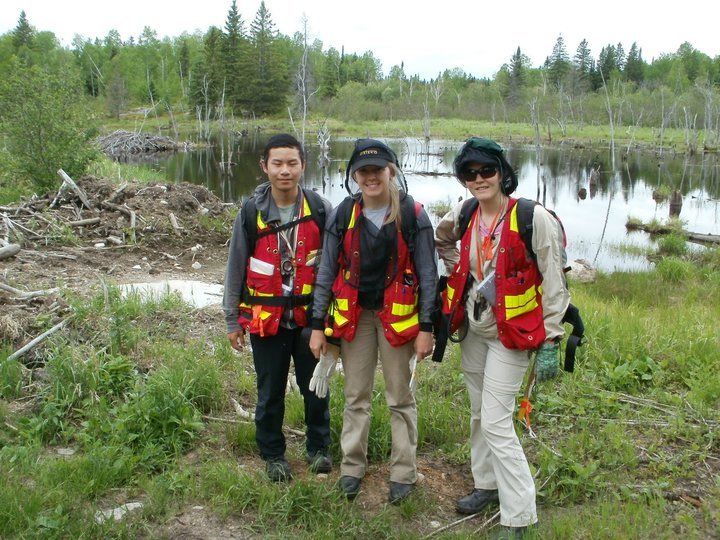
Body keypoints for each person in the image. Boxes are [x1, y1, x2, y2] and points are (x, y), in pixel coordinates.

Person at [435, 137, 570, 538]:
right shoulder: (464, 213)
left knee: (497, 422)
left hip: (514, 334)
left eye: (486, 171)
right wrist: (460, 269)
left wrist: (551, 339)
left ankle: (520, 515)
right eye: (469, 173)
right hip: (476, 329)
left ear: (502, 172)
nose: (479, 179)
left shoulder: (532, 217)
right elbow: (442, 239)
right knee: (479, 412)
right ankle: (486, 484)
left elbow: (555, 279)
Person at [309, 139, 437, 504]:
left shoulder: (413, 215)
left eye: (377, 169)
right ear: (355, 176)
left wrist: (426, 328)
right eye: (363, 171)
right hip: (356, 318)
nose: (370, 177)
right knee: (356, 396)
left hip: (396, 320)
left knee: (400, 397)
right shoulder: (343, 213)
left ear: (391, 171)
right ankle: (351, 467)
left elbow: (428, 275)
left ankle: (403, 472)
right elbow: (326, 271)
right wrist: (318, 324)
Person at [223, 134, 332, 482]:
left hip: (310, 321)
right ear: (265, 167)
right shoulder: (251, 212)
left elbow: (333, 269)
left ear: (303, 165)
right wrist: (232, 320)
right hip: (266, 321)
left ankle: (318, 449)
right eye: (277, 163)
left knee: (315, 387)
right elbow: (235, 266)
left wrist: (332, 321)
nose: (285, 171)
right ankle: (273, 454)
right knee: (269, 392)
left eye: (292, 163)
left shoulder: (320, 209)